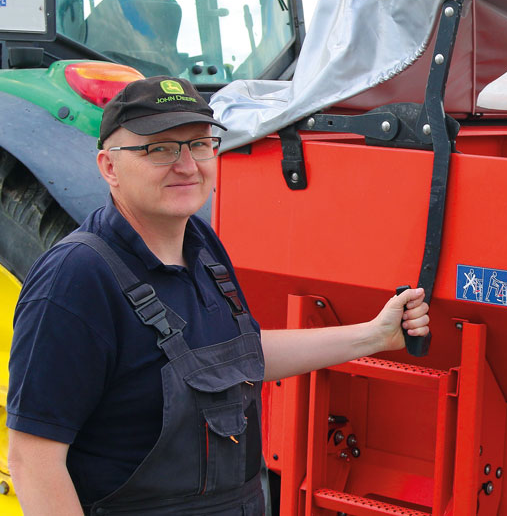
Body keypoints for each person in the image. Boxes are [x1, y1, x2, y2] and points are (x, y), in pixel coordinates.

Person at [6, 76, 430, 515]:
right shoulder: (75, 278)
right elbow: (34, 459)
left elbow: (239, 354)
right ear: (109, 166)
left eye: (200, 145)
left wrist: (374, 336)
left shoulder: (203, 246)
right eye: (160, 148)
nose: (187, 165)